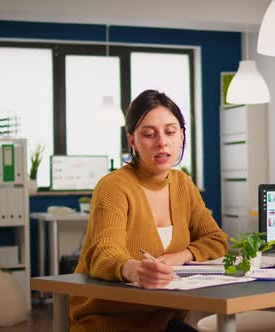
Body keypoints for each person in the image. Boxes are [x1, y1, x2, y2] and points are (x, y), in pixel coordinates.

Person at [69, 90, 229, 332]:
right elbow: (103, 253)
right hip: (108, 323)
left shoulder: (183, 184)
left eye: (170, 132)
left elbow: (216, 240)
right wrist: (134, 270)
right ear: (132, 141)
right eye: (149, 134)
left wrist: (180, 256)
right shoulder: (114, 186)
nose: (162, 142)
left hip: (163, 321)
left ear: (182, 136)